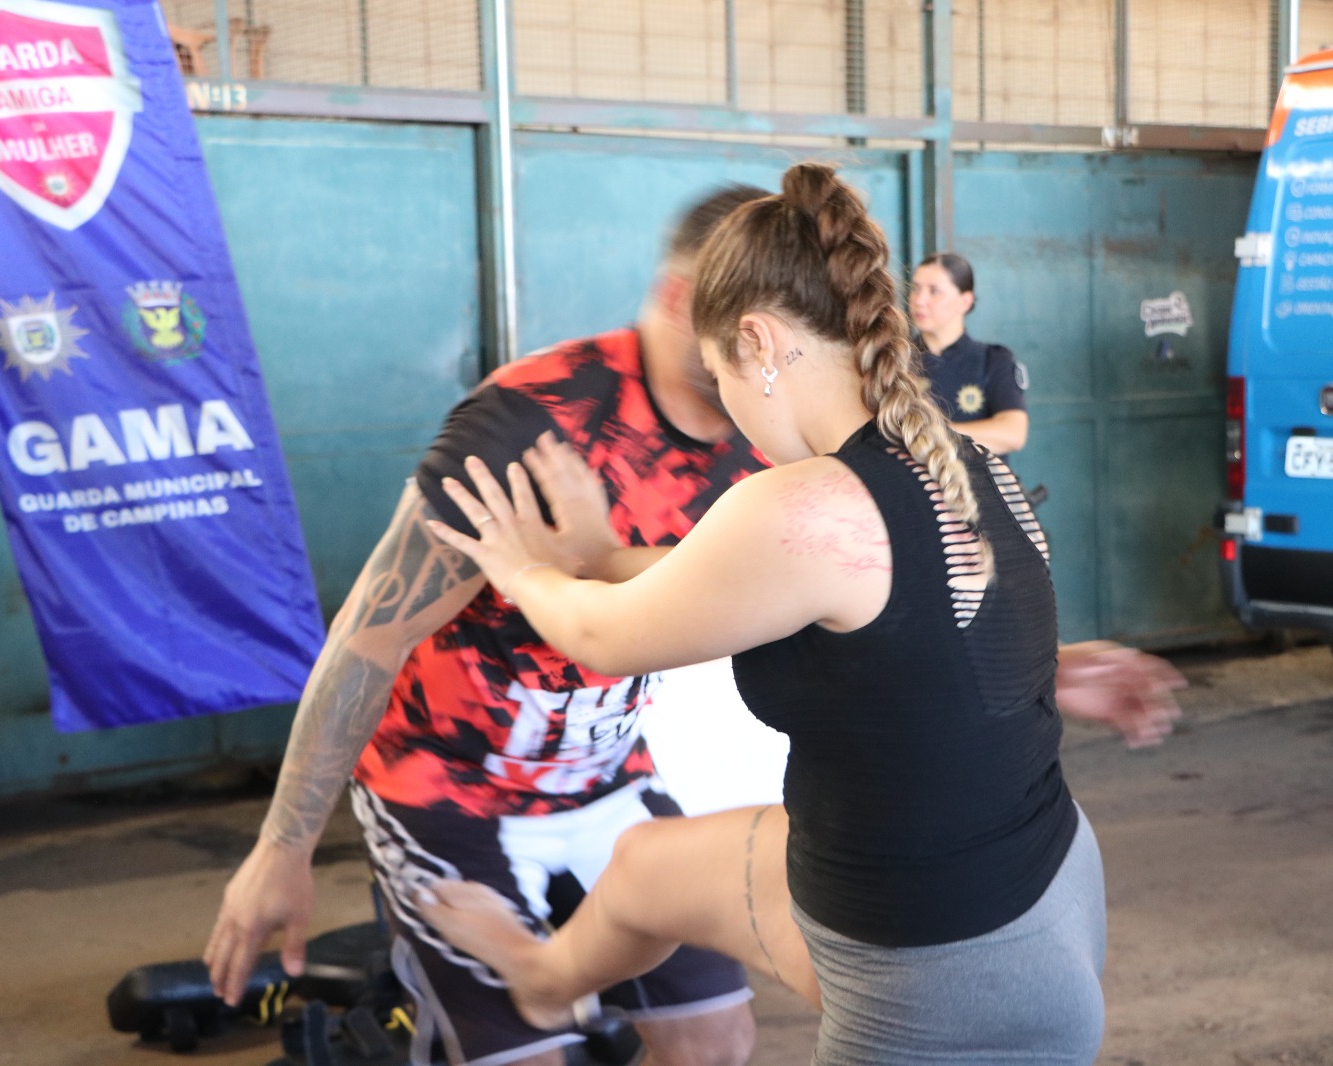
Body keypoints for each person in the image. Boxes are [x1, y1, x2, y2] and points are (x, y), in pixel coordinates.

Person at [414, 163, 1184, 1064]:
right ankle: (545, 981)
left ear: (759, 341)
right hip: (1035, 884)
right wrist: (596, 555)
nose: (729, 411)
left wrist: (521, 566)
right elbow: (826, 602)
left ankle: (543, 984)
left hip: (947, 976)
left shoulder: (803, 504)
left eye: (718, 373)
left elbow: (598, 637)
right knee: (641, 873)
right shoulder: (962, 466)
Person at [203, 184, 774, 1066]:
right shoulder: (537, 422)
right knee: (526, 1055)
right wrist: (284, 846)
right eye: (752, 335)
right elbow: (371, 635)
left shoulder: (769, 429)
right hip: (448, 792)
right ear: (680, 298)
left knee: (713, 1037)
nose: (770, 360)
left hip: (608, 777)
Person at [909, 252, 1029, 455]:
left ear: (965, 301)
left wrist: (934, 433)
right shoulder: (896, 359)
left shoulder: (993, 360)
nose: (919, 300)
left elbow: (1013, 434)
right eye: (915, 289)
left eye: (934, 291)